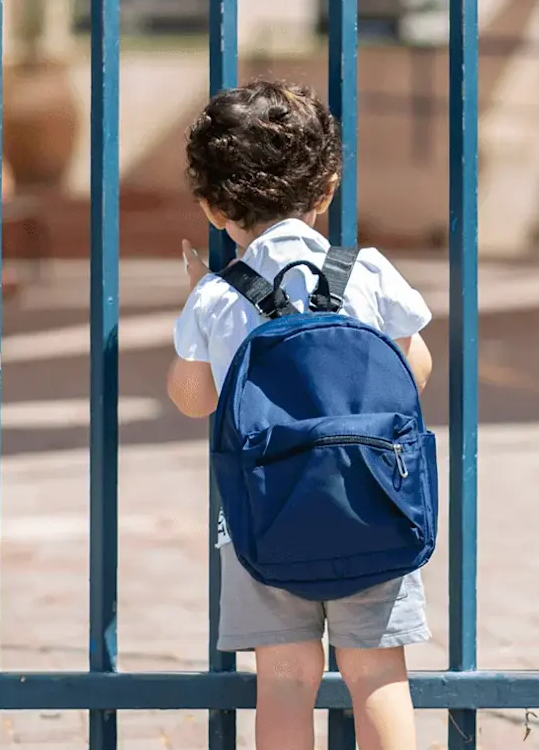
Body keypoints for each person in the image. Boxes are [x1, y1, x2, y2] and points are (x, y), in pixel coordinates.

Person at [168, 79, 434, 750]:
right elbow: (416, 370)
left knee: (284, 678)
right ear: (328, 189)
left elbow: (194, 399)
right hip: (374, 506)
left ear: (210, 203)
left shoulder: (217, 298)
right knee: (378, 676)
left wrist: (198, 316)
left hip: (262, 519)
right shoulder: (366, 271)